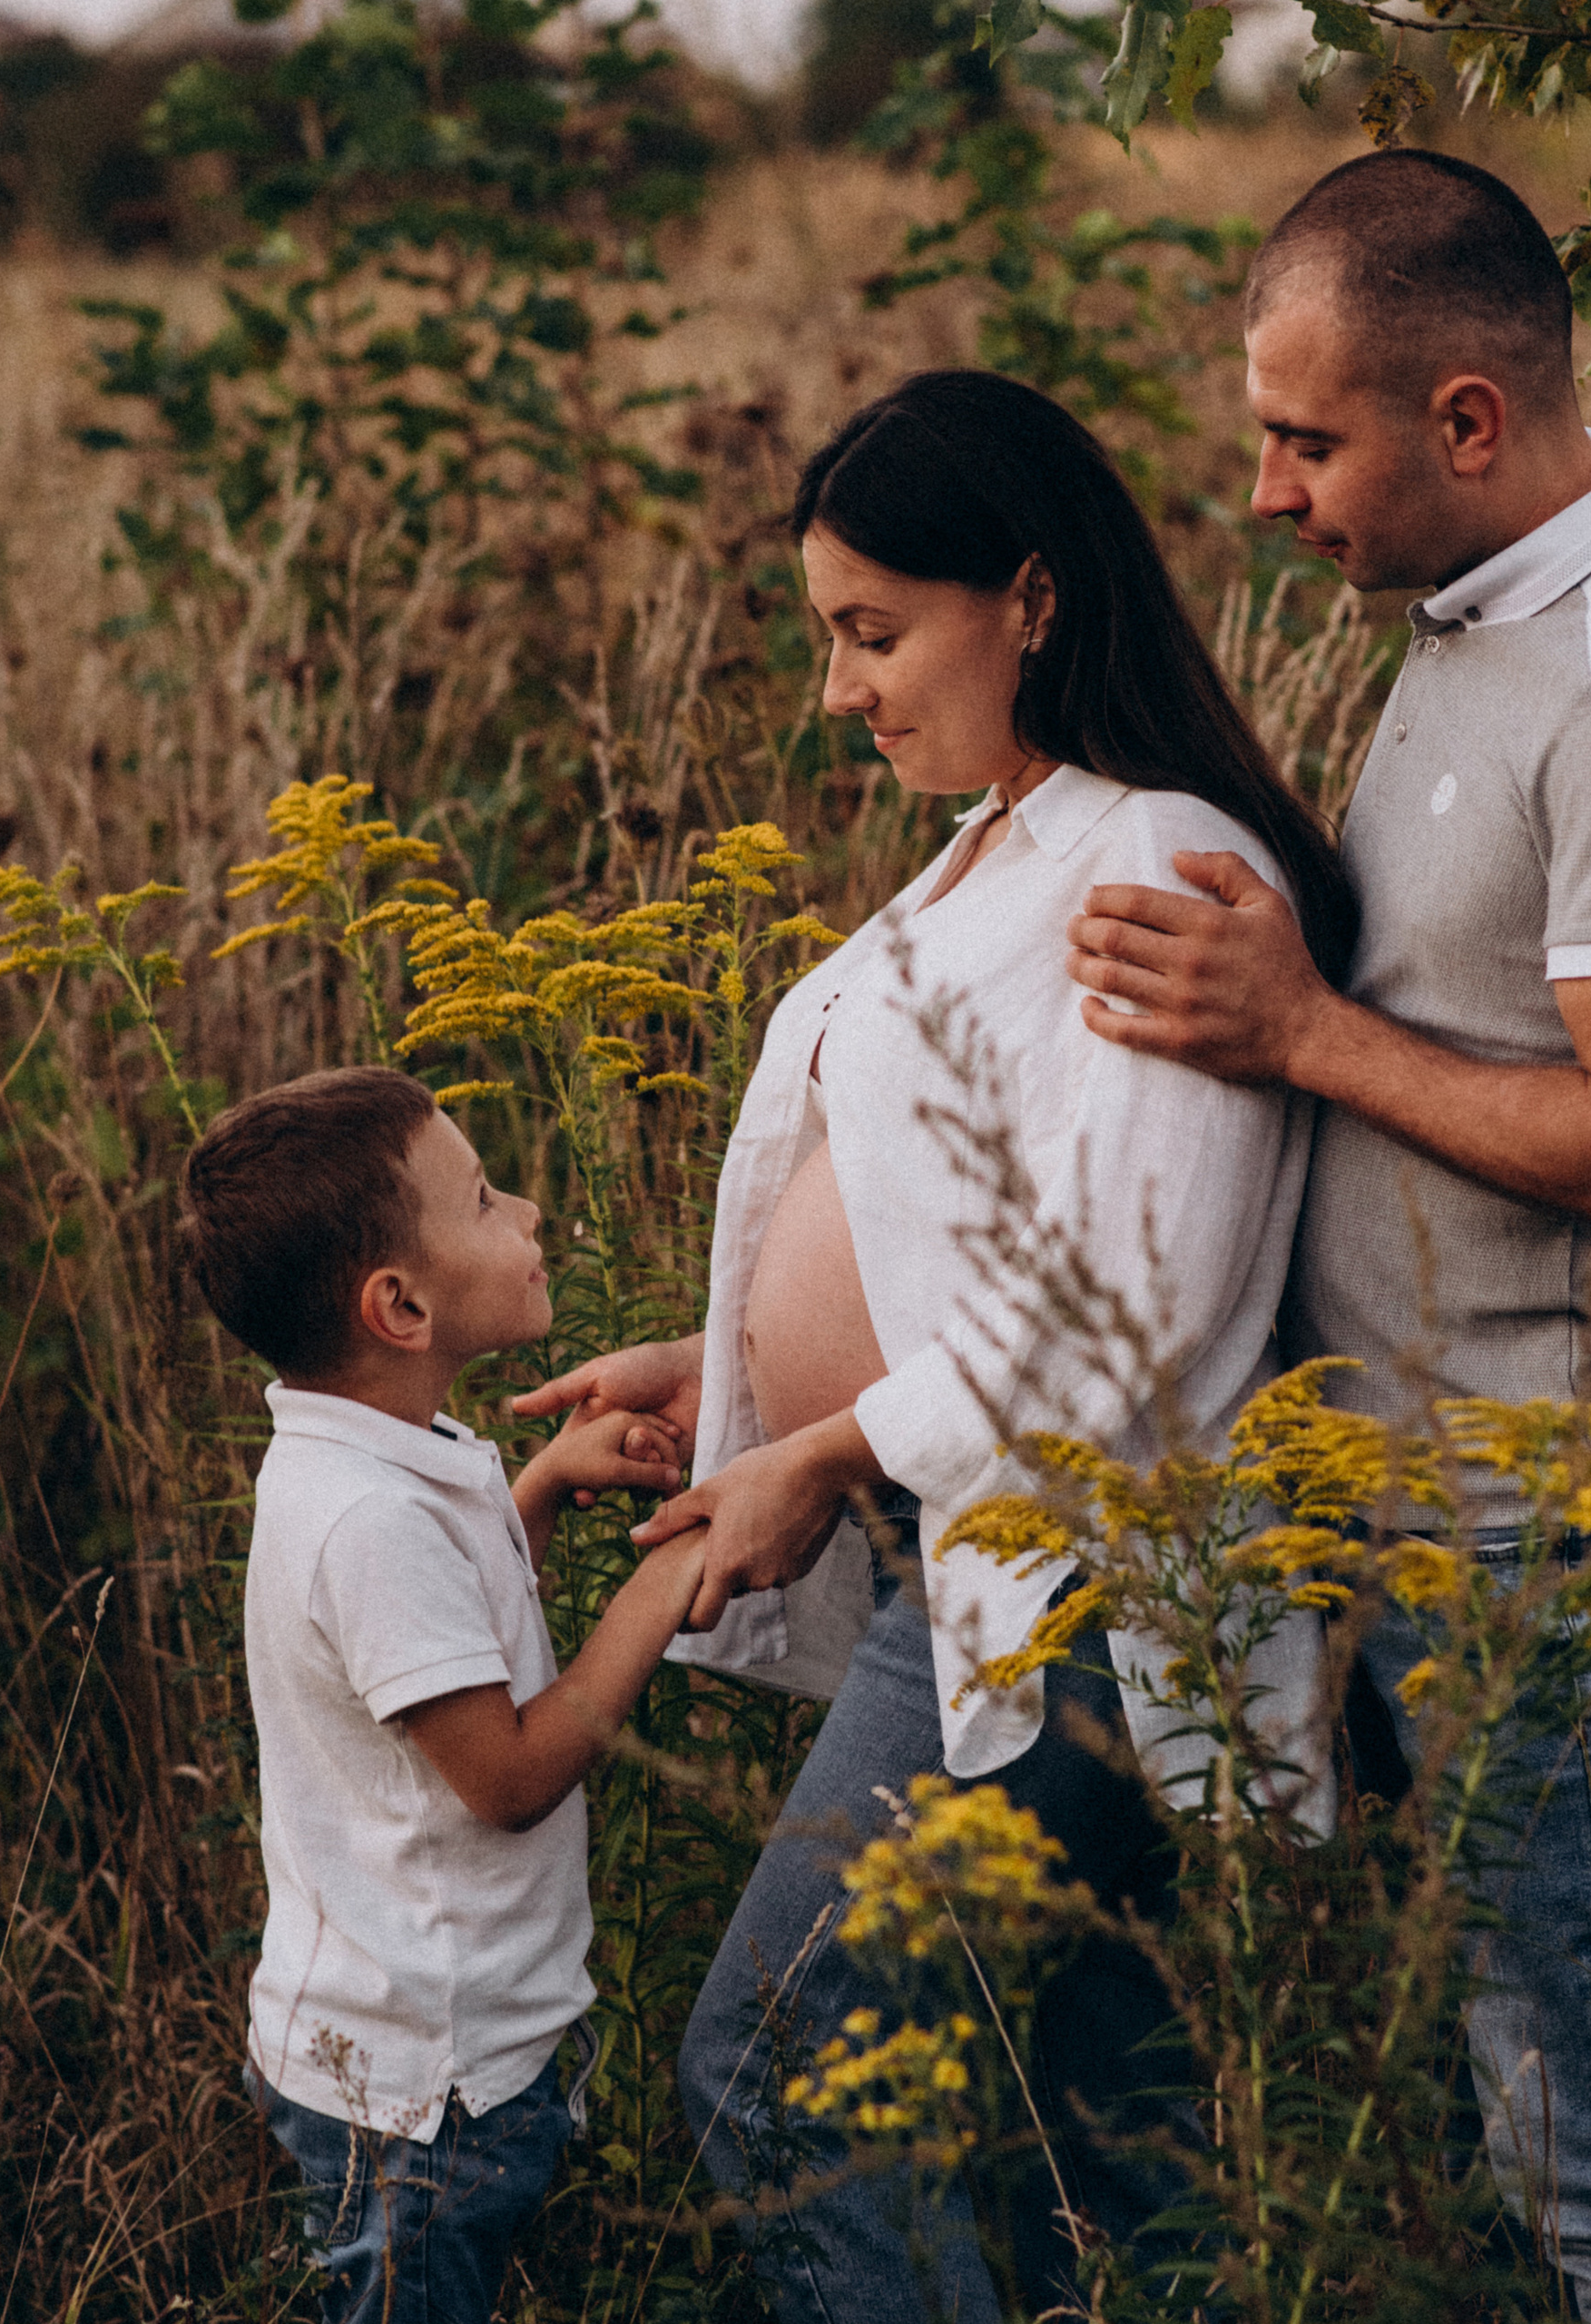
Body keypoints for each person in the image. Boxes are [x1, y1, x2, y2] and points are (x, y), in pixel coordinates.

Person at [512, 369, 1359, 2322]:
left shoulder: (1149, 859)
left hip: (1060, 1582)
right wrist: (719, 1367)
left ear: (1032, 598)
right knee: (1106, 2152)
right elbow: (970, 1228)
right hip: (959, 1554)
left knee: (778, 2059)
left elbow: (1132, 1298)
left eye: (872, 633)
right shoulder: (1002, 838)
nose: (839, 691)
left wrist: (816, 1444)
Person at [1061, 152, 1591, 2324]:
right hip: (1408, 1513)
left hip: (1546, 1545)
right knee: (1507, 2123)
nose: (1266, 491)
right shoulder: (1474, 622)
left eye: (1305, 439)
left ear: (1463, 420)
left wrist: (1293, 1028)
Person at [181, 1066, 705, 2324]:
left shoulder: (377, 1454)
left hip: (414, 2051)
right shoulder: (367, 1520)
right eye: (482, 1200)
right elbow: (506, 1776)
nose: (527, 1212)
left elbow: (429, 1646)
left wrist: (534, 1492)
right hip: (419, 2093)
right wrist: (674, 1571)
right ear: (401, 1305)